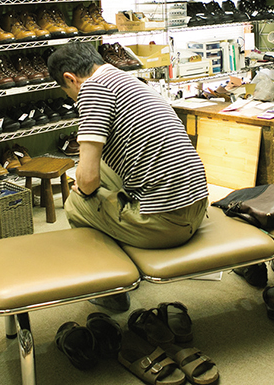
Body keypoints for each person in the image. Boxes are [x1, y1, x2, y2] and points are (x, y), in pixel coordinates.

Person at [47, 42, 207, 311]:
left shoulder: (92, 90)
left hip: (168, 225)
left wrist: (84, 189)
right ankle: (124, 242)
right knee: (105, 170)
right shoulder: (127, 79)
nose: (72, 99)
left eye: (67, 92)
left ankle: (111, 289)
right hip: (197, 206)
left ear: (70, 79)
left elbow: (87, 181)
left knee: (76, 203)